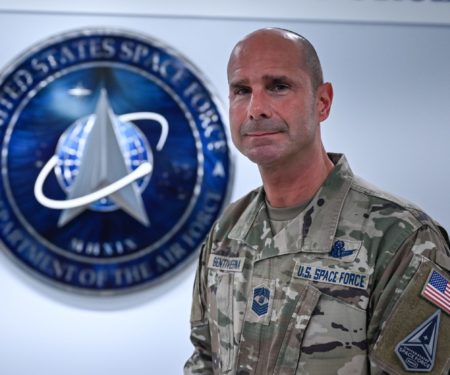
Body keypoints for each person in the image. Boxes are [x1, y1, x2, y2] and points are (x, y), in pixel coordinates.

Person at [184, 28, 450, 375]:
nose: (256, 108)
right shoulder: (226, 234)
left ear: (322, 102)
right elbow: (204, 361)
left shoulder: (401, 239)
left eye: (278, 86)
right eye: (242, 90)